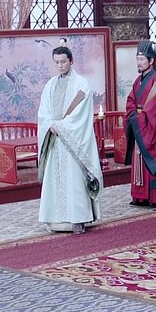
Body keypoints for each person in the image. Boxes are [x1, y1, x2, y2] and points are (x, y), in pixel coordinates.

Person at [37, 45, 103, 233]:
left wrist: (62, 127)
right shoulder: (50, 85)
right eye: (57, 62)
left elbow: (81, 115)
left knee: (74, 180)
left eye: (63, 61)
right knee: (55, 180)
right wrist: (50, 124)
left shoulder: (81, 84)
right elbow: (44, 111)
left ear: (71, 61)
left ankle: (78, 219)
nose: (60, 65)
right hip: (54, 139)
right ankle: (55, 220)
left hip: (72, 140)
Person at [124, 40, 156, 208]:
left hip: (152, 128)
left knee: (153, 157)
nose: (139, 63)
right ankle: (140, 197)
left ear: (151, 60)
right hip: (140, 124)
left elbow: (155, 108)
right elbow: (131, 100)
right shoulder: (137, 81)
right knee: (139, 160)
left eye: (142, 59)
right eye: (137, 59)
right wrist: (133, 114)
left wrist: (139, 118)